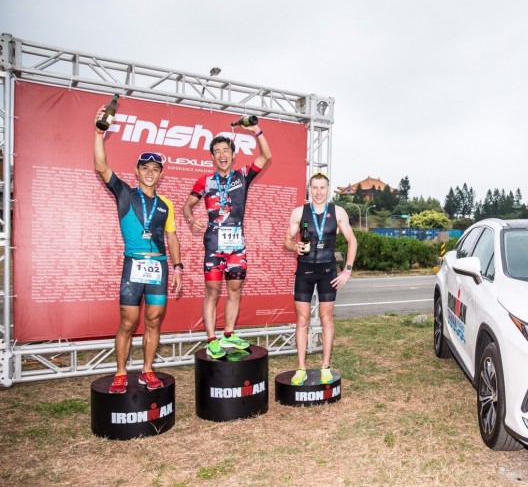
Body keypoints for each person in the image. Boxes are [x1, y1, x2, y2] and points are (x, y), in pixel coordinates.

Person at [93, 107, 183, 394]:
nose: (150, 173)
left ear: (161, 174)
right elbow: (101, 166)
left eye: (155, 169)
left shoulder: (166, 204)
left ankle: (147, 370)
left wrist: (178, 268)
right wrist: (99, 132)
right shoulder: (125, 193)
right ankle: (121, 373)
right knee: (128, 322)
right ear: (137, 171)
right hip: (133, 265)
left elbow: (172, 237)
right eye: (145, 168)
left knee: (154, 321)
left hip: (159, 267)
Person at [182, 122, 271, 358]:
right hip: (213, 244)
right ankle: (212, 338)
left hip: (236, 246)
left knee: (235, 289)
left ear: (233, 154)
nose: (222, 155)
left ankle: (229, 334)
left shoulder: (243, 176)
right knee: (212, 291)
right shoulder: (204, 181)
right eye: (217, 151)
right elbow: (187, 205)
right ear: (212, 157)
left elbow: (266, 155)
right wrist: (191, 219)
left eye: (226, 150)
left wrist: (256, 130)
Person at [283, 173, 358, 385]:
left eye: (322, 188)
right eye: (314, 187)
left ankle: (325, 366)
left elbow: (352, 241)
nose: (318, 192)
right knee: (302, 320)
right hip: (304, 271)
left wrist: (347, 270)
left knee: (326, 319)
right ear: (309, 189)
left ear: (328, 189)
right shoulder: (299, 212)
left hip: (327, 272)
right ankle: (301, 368)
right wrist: (294, 246)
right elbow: (287, 240)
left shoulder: (338, 212)